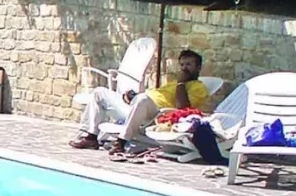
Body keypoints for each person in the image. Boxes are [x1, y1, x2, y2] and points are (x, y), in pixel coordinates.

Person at [71, 48, 211, 153]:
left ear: (198, 68)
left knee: (142, 99)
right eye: (182, 65)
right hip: (137, 107)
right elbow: (149, 96)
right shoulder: (173, 83)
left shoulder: (199, 88)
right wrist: (132, 97)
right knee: (99, 92)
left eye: (188, 65)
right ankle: (90, 137)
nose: (184, 68)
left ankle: (122, 141)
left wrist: (181, 83)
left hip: (155, 115)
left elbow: (183, 109)